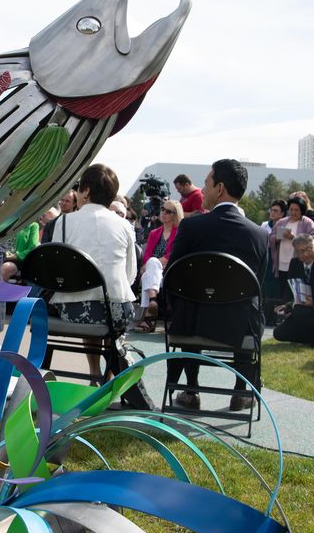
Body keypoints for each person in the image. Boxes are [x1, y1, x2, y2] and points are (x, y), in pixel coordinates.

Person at [164, 159, 268, 412]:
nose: (204, 188)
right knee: (249, 305)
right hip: (238, 325)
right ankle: (241, 392)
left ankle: (191, 389)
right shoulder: (259, 234)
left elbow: (171, 275)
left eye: (207, 183)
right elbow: (258, 285)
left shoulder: (191, 226)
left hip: (192, 322)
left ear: (219, 188)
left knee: (188, 302)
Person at [44, 163, 138, 383]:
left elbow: (56, 268)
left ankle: (94, 373)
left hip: (75, 308)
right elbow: (130, 275)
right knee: (111, 312)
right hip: (116, 308)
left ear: (85, 191)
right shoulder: (124, 225)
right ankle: (110, 376)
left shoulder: (64, 221)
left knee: (86, 300)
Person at [134, 199, 182, 333]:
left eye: (168, 211)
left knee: (151, 267)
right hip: (153, 271)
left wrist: (154, 263)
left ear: (176, 214)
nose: (163, 213)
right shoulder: (155, 233)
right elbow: (147, 255)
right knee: (151, 267)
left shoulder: (179, 232)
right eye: (162, 209)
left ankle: (149, 313)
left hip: (168, 271)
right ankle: (152, 302)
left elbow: (173, 255)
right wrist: (151, 263)